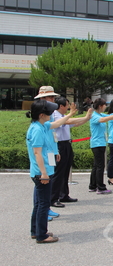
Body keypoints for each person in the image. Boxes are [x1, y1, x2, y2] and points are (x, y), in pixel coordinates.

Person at [26, 100, 76, 243]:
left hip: (42, 171)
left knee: (39, 203)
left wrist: (70, 114)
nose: (52, 115)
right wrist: (44, 173)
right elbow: (37, 153)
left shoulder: (41, 125)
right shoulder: (37, 130)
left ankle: (36, 231)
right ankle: (42, 235)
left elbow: (57, 124)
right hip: (41, 173)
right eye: (49, 112)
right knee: (43, 204)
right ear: (42, 115)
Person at [51, 97, 93, 208]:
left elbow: (74, 123)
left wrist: (87, 118)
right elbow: (69, 121)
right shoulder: (55, 115)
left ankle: (64, 195)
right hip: (59, 145)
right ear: (61, 106)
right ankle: (54, 198)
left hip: (67, 144)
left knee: (66, 171)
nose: (69, 107)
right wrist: (78, 115)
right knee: (58, 172)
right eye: (67, 105)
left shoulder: (63, 116)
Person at [34, 86, 62, 220]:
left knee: (46, 186)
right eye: (50, 97)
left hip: (50, 152)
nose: (53, 99)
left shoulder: (48, 114)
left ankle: (46, 209)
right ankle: (42, 212)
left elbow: (52, 133)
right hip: (43, 155)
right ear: (42, 98)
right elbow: (37, 149)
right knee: (41, 185)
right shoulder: (40, 115)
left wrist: (55, 150)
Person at [89, 98, 113, 194]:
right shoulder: (95, 116)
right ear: (100, 106)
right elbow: (105, 119)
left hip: (100, 143)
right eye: (105, 105)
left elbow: (112, 116)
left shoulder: (100, 114)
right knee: (100, 166)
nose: (106, 106)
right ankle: (100, 187)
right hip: (97, 143)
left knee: (96, 165)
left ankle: (92, 186)